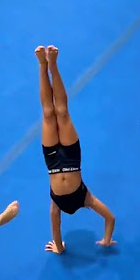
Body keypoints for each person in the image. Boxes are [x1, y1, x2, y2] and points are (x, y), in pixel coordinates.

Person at [35, 45, 116, 253]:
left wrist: (60, 247)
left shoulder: (55, 205)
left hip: (52, 162)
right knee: (61, 112)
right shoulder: (86, 198)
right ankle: (53, 66)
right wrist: (106, 239)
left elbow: (55, 227)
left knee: (47, 113)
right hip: (71, 158)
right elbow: (110, 217)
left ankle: (42, 66)